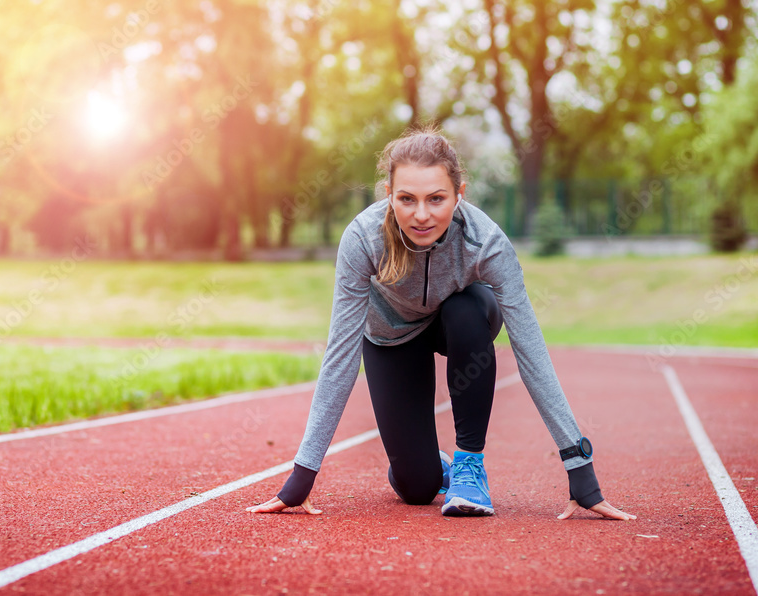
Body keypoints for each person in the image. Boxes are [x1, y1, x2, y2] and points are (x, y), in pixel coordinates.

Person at [246, 128, 636, 520]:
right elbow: (341, 355)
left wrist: (578, 466)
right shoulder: (363, 239)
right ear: (388, 193)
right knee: (416, 488)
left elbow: (530, 350)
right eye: (406, 199)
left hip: (461, 320)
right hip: (392, 336)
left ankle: (469, 464)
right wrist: (304, 472)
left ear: (459, 193)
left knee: (464, 309)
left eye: (436, 198)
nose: (421, 215)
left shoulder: (486, 241)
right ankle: (435, 464)